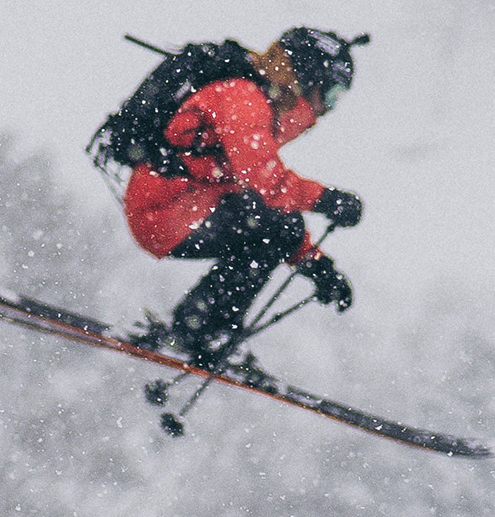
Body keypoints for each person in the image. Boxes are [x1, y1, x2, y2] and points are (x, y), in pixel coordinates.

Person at [124, 28, 366, 369]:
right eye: (332, 94)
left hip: (187, 206)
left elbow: (262, 202)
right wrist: (327, 200)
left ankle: (200, 329)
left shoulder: (262, 106)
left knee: (275, 228)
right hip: (164, 211)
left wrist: (316, 265)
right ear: (307, 77)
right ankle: (197, 330)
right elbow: (266, 184)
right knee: (272, 230)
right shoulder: (242, 98)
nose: (328, 109)